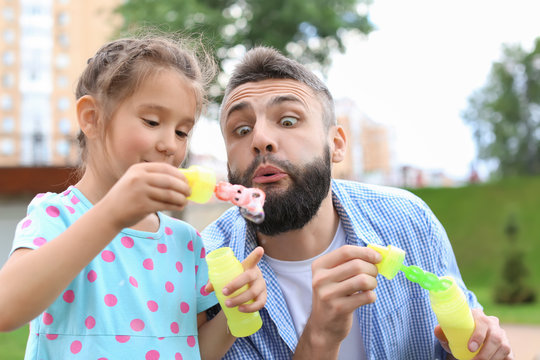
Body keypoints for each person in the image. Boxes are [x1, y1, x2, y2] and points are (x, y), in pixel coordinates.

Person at [202, 46, 513, 359]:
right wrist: (320, 338)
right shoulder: (201, 269)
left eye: (288, 121)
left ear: (336, 144)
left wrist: (483, 348)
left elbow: (465, 337)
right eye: (241, 129)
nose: (260, 139)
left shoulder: (409, 221)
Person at [0, 34, 267, 360]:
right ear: (91, 118)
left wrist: (232, 313)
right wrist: (113, 214)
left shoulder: (186, 242)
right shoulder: (56, 216)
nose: (170, 143)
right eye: (152, 121)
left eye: (182, 131)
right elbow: (7, 309)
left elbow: (193, 350)